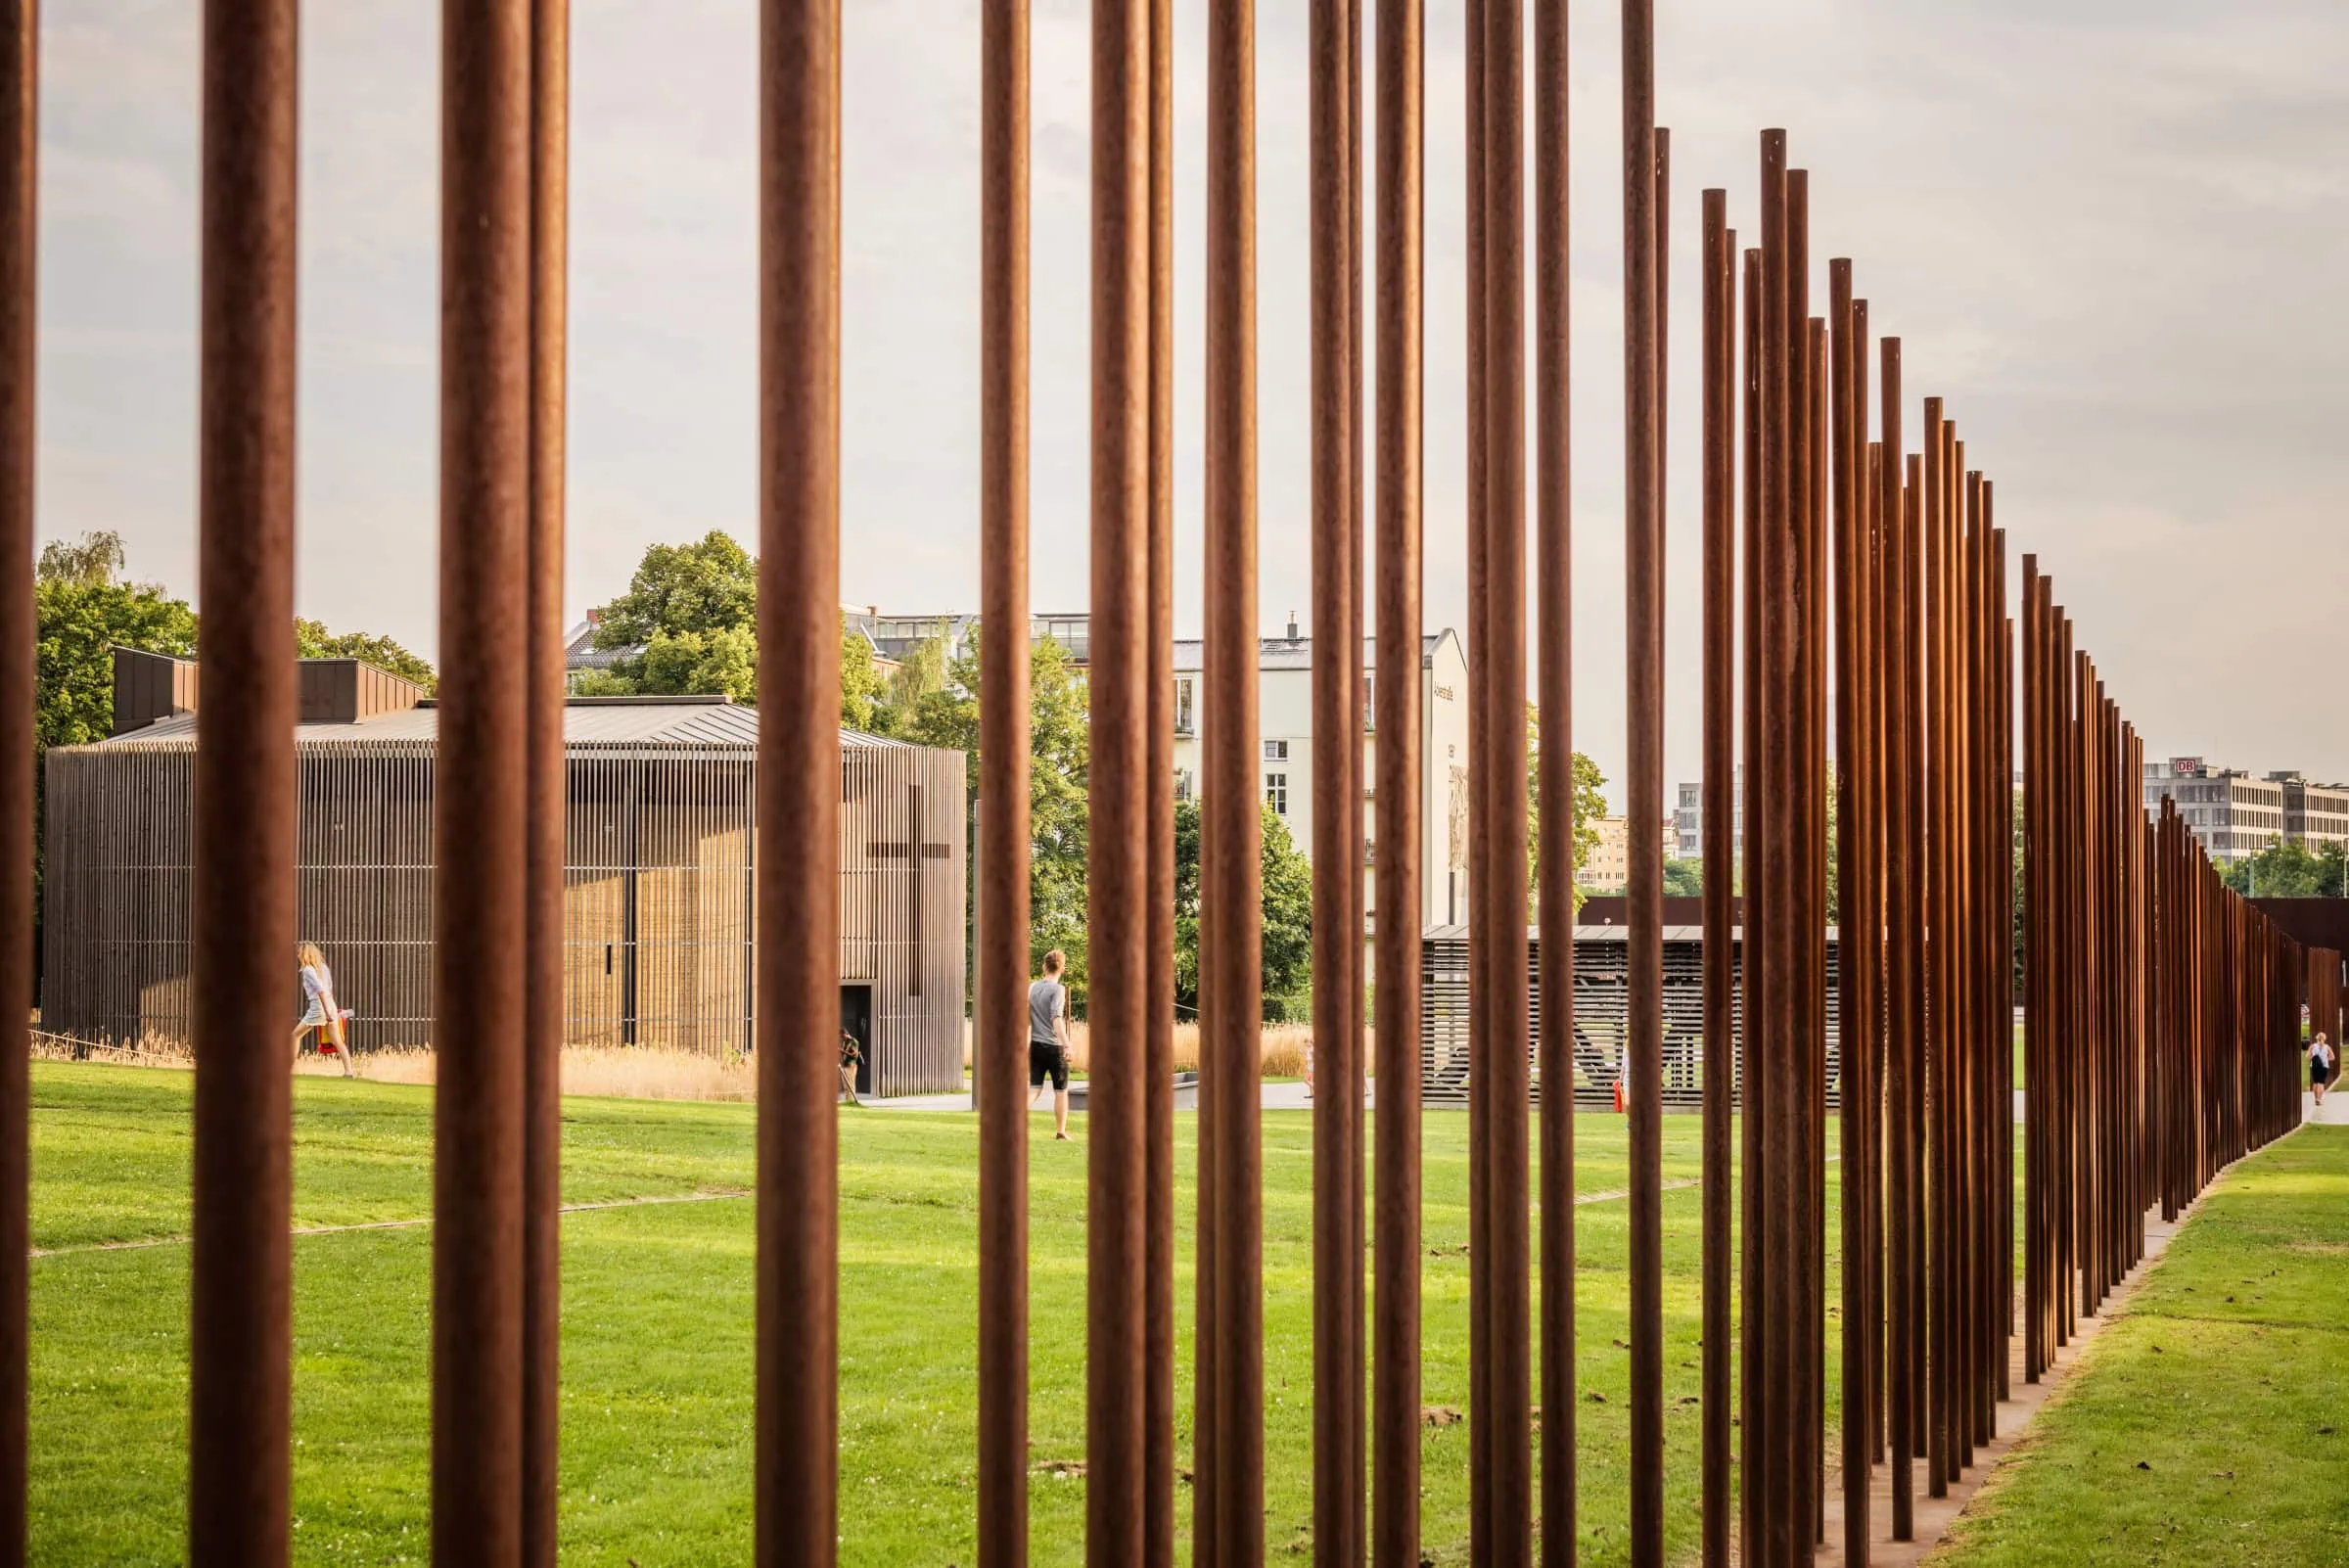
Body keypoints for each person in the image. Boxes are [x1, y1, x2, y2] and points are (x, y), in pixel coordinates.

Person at [1029, 949, 1074, 1140]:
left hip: (1036, 1045)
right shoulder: (1058, 990)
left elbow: (1025, 1018)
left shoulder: (1032, 988)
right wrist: (1067, 1046)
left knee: (1034, 1088)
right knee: (1061, 1091)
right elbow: (1056, 1018)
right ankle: (1061, 1131)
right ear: (1062, 968)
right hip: (1054, 1047)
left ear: (1044, 967)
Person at [292, 942, 352, 1078]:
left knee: (295, 1035)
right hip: (330, 1004)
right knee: (338, 1041)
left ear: (305, 954)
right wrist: (331, 1009)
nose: (298, 956)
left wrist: (326, 1012)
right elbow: (329, 989)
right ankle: (349, 1072)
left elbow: (320, 991)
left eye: (300, 953)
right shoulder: (323, 968)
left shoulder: (308, 970)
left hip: (319, 1007)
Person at [2311, 1031, 2336, 1107]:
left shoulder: (2312, 1046)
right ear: (2324, 1038)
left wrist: (2314, 1058)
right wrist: (2325, 1058)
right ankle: (2319, 1099)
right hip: (2324, 1066)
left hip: (2314, 1066)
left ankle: (2315, 1099)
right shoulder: (2327, 1047)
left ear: (2317, 1038)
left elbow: (2307, 1057)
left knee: (2315, 1082)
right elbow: (2333, 1057)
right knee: (2321, 1083)